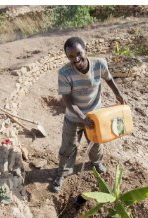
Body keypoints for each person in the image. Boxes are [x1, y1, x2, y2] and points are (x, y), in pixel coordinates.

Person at [52, 37, 126, 193]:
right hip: (74, 117)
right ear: (67, 57)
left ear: (85, 49)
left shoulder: (99, 64)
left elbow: (109, 79)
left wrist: (118, 94)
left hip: (95, 115)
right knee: (68, 147)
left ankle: (96, 162)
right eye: (71, 56)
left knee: (96, 141)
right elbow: (67, 100)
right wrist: (82, 118)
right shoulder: (64, 73)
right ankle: (62, 173)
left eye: (79, 53)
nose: (76, 59)